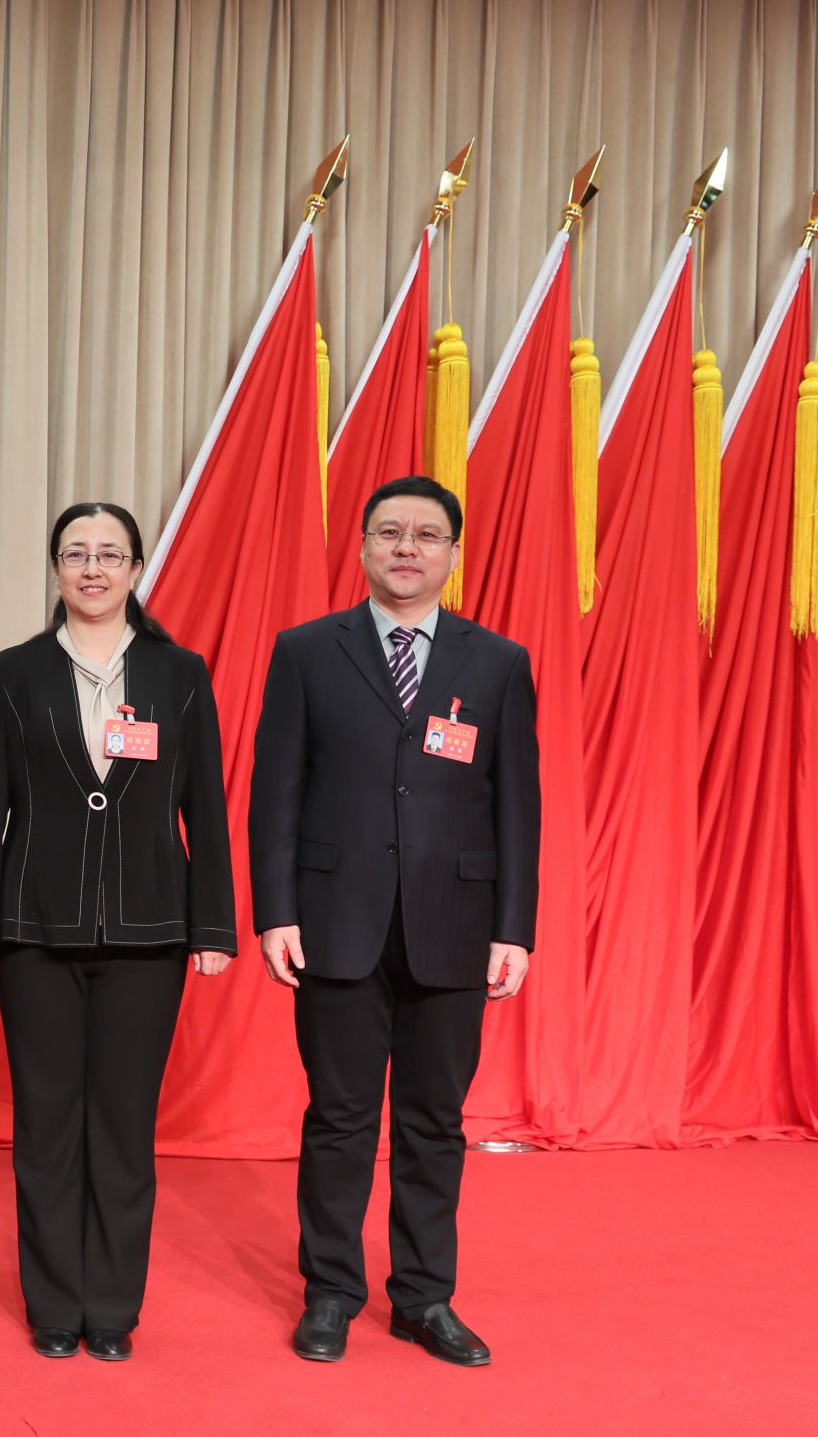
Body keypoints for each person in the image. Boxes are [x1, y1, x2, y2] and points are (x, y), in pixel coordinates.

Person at [249, 475, 539, 1369]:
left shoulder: (497, 662)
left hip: (455, 924)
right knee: (339, 1117)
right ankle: (331, 1292)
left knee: (433, 1122)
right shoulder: (307, 650)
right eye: (389, 533)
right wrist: (275, 912)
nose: (406, 548)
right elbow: (275, 793)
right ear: (364, 547)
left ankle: (423, 1296)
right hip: (334, 921)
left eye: (425, 534)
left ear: (452, 551)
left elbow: (518, 806)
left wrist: (514, 928)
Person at [0, 503, 234, 1362]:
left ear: (136, 569)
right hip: (34, 929)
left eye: (111, 554)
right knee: (45, 1125)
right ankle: (52, 1304)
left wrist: (213, 924)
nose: (93, 568)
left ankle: (111, 1305)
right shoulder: (15, 672)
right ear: (56, 568)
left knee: (122, 1126)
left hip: (150, 933)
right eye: (76, 553)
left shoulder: (179, 673)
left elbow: (207, 806)